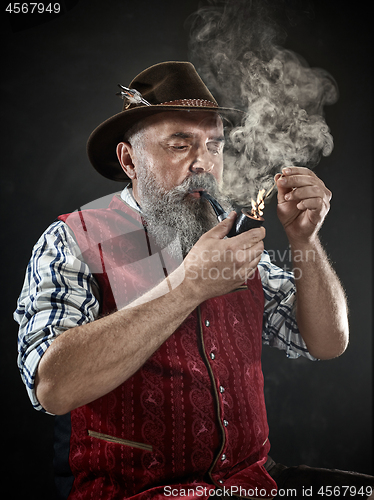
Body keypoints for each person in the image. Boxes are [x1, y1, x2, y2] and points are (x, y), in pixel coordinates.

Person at [14, 62, 373, 500]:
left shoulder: (230, 232)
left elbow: (327, 341)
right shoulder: (75, 239)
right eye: (179, 145)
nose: (202, 163)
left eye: (214, 146)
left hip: (253, 484)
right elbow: (52, 387)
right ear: (129, 159)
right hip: (133, 493)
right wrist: (188, 286)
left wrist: (305, 239)